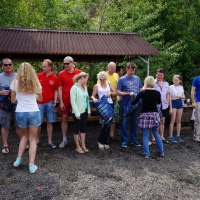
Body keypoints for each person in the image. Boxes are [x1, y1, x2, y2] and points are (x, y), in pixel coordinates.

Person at [11, 62, 42, 174]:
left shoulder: (15, 83)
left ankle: (18, 160)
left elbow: (13, 101)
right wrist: (34, 95)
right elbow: (40, 98)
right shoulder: (36, 83)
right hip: (33, 111)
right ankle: (31, 165)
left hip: (20, 111)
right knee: (33, 139)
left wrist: (19, 96)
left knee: (24, 136)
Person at [132, 76, 164, 158]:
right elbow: (159, 102)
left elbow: (134, 103)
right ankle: (161, 152)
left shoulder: (142, 93)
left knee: (145, 135)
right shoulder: (157, 93)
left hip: (145, 115)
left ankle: (146, 154)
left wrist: (132, 95)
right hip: (154, 115)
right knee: (156, 134)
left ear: (145, 83)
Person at [117, 62, 143, 148]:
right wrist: (127, 93)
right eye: (131, 70)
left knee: (134, 122)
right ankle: (124, 141)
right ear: (127, 69)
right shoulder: (122, 79)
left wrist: (142, 93)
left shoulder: (137, 78)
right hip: (125, 104)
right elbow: (118, 91)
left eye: (134, 70)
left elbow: (141, 89)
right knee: (124, 122)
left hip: (135, 103)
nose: (132, 72)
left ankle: (134, 140)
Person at [0, 58, 23, 154]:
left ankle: (23, 142)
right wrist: (1, 92)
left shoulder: (19, 76)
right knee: (5, 125)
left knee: (19, 125)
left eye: (9, 64)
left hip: (18, 104)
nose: (8, 66)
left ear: (12, 65)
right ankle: (5, 145)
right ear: (2, 66)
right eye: (5, 65)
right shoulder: (0, 77)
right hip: (4, 105)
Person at [58, 56, 82, 148]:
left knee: (78, 118)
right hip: (65, 99)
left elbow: (83, 86)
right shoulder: (61, 74)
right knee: (64, 118)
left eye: (67, 63)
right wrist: (61, 102)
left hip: (76, 100)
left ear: (72, 63)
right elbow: (60, 88)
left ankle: (79, 138)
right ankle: (64, 139)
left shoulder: (79, 73)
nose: (65, 65)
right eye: (64, 63)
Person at [92, 71, 117, 150]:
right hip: (102, 105)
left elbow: (115, 92)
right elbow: (92, 96)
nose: (102, 80)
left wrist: (110, 93)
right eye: (100, 79)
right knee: (106, 124)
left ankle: (105, 141)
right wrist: (94, 99)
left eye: (103, 79)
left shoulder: (109, 84)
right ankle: (100, 140)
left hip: (110, 104)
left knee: (108, 124)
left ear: (106, 78)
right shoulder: (97, 86)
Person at [37, 59, 58, 148]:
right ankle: (37, 140)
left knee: (50, 122)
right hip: (39, 102)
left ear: (50, 67)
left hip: (50, 102)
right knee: (38, 122)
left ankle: (50, 141)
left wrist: (55, 100)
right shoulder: (38, 76)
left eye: (45, 66)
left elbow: (56, 90)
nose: (43, 67)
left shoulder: (55, 78)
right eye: (42, 66)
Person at [70, 72, 91, 153]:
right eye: (86, 79)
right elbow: (73, 102)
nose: (86, 81)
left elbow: (87, 100)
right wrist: (77, 113)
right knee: (76, 129)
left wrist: (88, 111)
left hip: (84, 111)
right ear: (82, 78)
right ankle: (77, 146)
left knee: (83, 129)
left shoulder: (84, 87)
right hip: (77, 112)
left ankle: (83, 145)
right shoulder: (74, 88)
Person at [151, 68, 172, 144]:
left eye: (161, 75)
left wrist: (169, 106)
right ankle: (153, 138)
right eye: (158, 75)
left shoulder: (166, 84)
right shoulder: (152, 82)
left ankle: (162, 136)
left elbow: (168, 94)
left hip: (164, 105)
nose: (160, 76)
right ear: (156, 74)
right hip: (155, 105)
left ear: (164, 75)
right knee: (154, 122)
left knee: (162, 121)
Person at [169, 75, 185, 142]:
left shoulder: (181, 87)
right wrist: (170, 107)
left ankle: (178, 135)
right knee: (173, 120)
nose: (175, 82)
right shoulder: (170, 87)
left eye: (177, 80)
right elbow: (170, 97)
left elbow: (183, 97)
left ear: (180, 81)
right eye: (174, 80)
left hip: (180, 103)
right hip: (173, 102)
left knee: (179, 120)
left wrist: (178, 96)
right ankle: (171, 136)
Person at [105, 62, 119, 140]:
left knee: (114, 118)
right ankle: (105, 133)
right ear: (108, 67)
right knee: (106, 118)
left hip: (115, 99)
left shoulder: (116, 75)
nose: (113, 70)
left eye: (114, 69)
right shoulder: (103, 75)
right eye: (111, 69)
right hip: (106, 100)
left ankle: (112, 134)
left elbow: (119, 85)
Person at [191, 76, 200, 142]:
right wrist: (193, 102)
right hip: (198, 101)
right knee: (198, 119)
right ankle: (197, 136)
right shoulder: (196, 79)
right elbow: (192, 90)